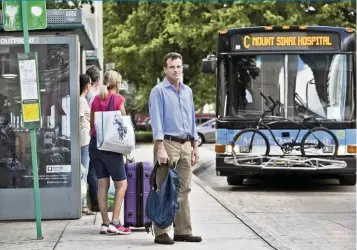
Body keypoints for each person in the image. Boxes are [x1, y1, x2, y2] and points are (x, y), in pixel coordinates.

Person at [148, 52, 202, 244]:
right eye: (172, 67)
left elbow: (192, 120)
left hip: (186, 144)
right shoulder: (158, 91)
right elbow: (156, 121)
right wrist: (160, 147)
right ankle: (161, 231)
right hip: (168, 144)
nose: (176, 70)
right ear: (165, 69)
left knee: (184, 189)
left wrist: (195, 145)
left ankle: (182, 230)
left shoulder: (187, 91)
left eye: (179, 66)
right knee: (164, 188)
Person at [89, 69, 131, 235]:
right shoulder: (118, 99)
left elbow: (92, 123)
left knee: (102, 184)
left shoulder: (96, 100)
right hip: (112, 148)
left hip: (96, 145)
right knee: (122, 184)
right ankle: (116, 222)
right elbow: (124, 123)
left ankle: (105, 223)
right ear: (118, 83)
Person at [79, 74, 95, 215]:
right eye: (89, 84)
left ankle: (82, 203)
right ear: (86, 85)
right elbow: (79, 121)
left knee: (83, 171)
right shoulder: (81, 101)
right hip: (83, 141)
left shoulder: (80, 100)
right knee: (83, 172)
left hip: (84, 140)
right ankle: (83, 205)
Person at [85, 66, 100, 212]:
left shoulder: (90, 94)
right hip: (92, 135)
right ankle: (95, 202)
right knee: (93, 170)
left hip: (90, 134)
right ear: (98, 80)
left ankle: (93, 201)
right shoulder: (93, 95)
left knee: (92, 169)